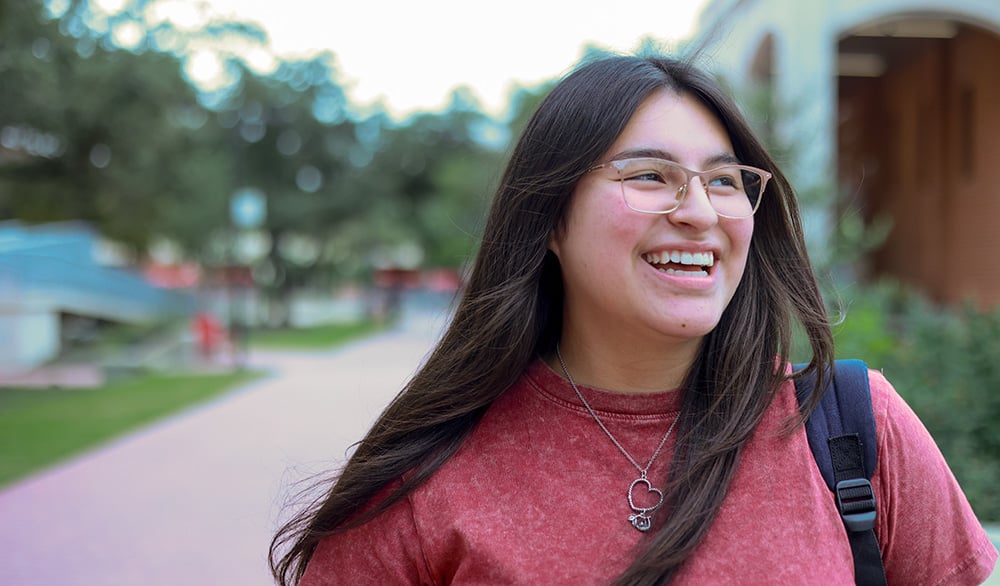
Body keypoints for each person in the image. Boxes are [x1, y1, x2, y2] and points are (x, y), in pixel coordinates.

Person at [270, 55, 998, 585]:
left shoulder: (851, 429)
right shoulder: (425, 482)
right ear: (550, 218)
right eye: (650, 175)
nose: (699, 212)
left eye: (724, 180)